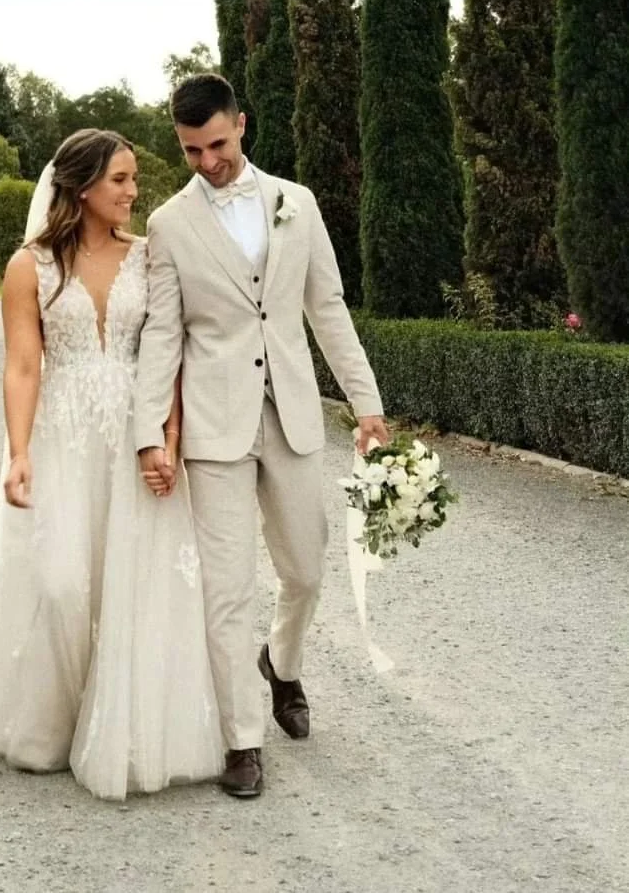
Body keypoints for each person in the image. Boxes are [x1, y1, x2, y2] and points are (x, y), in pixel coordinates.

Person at [0, 128, 223, 801]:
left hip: (132, 438)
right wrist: (20, 451)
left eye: (134, 178)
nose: (133, 191)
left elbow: (169, 355)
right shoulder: (30, 267)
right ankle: (50, 722)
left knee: (128, 582)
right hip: (63, 437)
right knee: (61, 582)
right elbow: (24, 365)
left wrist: (168, 437)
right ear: (81, 187)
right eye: (120, 179)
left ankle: (117, 726)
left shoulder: (150, 259)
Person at [134, 73, 389, 798]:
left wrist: (365, 402)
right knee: (227, 589)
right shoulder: (169, 225)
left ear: (242, 124)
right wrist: (150, 429)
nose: (208, 161)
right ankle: (241, 739)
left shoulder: (296, 204)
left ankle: (280, 662)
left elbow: (327, 309)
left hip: (295, 416)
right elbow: (162, 334)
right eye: (190, 151)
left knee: (305, 569)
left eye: (216, 143)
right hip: (214, 430)